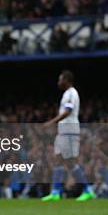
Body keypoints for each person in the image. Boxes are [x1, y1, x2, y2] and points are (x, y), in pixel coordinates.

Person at [42, 70, 94, 201]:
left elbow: (68, 110)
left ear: (67, 80)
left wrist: (52, 122)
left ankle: (87, 190)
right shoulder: (66, 93)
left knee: (70, 161)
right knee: (59, 158)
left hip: (70, 129)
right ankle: (55, 192)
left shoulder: (72, 93)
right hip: (64, 130)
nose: (58, 82)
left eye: (60, 79)